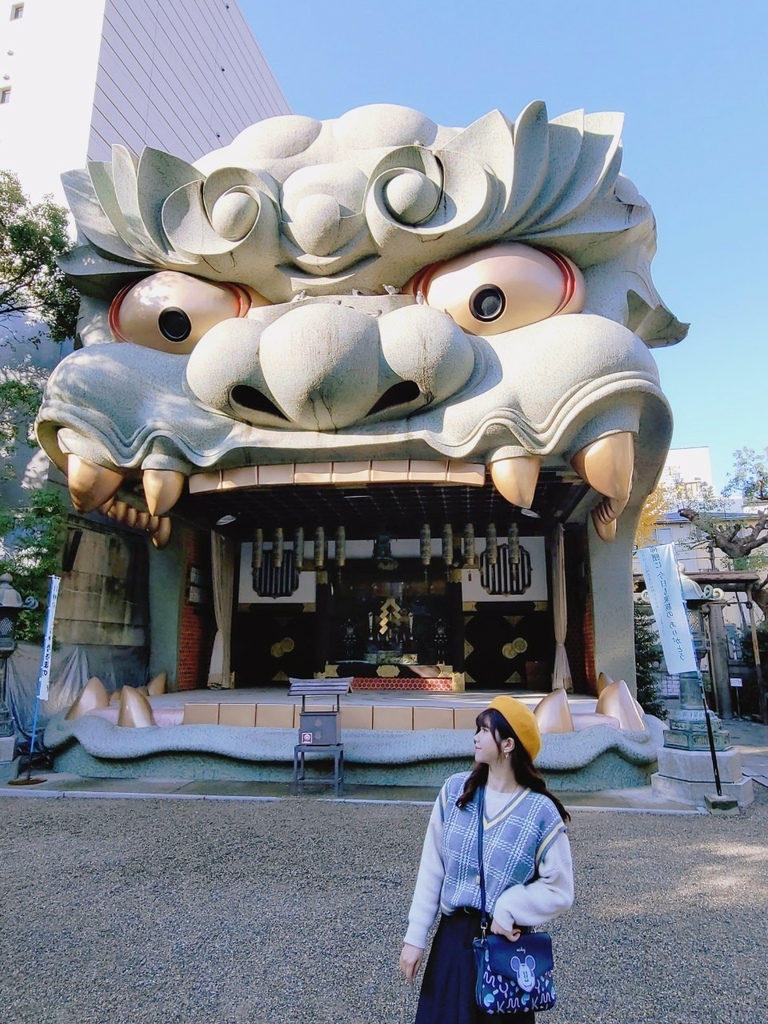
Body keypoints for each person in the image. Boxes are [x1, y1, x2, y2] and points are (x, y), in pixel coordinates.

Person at [399, 696, 574, 1023]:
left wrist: (509, 906)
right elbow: (431, 868)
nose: (476, 737)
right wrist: (415, 937)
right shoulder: (456, 792)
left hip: (505, 946)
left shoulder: (540, 812)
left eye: (484, 730)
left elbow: (560, 889)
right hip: (451, 942)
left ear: (508, 744)